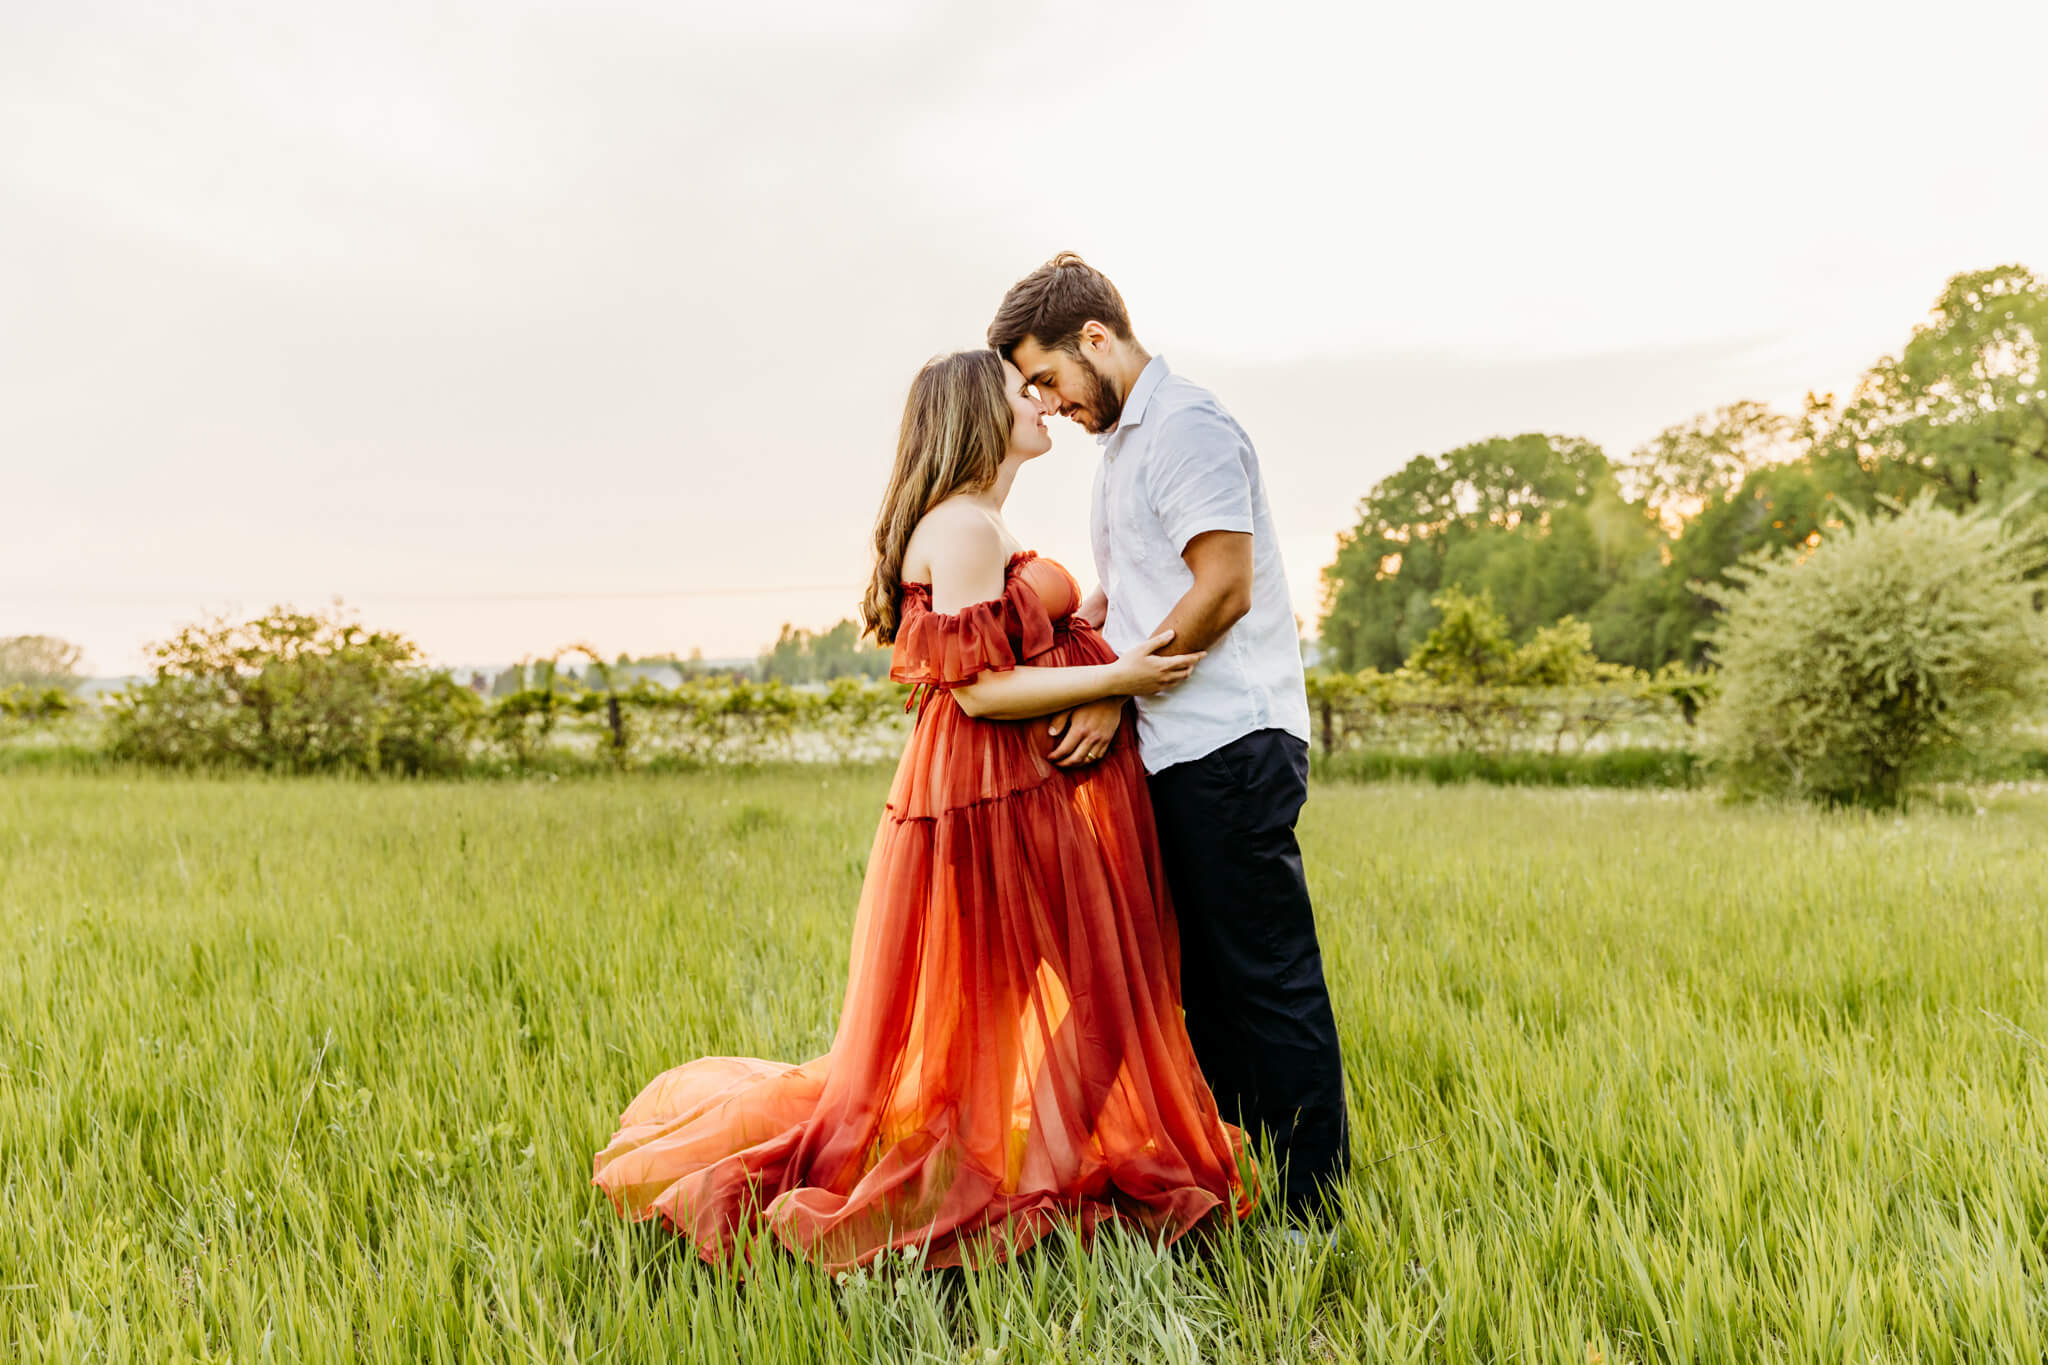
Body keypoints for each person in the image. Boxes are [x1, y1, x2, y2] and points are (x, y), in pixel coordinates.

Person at [593, 348, 1255, 1269]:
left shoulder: (978, 522)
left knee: (1033, 1006)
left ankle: (1032, 1169)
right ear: (977, 416)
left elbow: (1019, 644)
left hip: (1001, 791)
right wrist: (1128, 674)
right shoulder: (967, 529)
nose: (1038, 403)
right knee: (1086, 995)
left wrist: (1113, 617)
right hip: (996, 799)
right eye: (1020, 392)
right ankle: (1030, 1180)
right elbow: (980, 692)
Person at [987, 253, 1350, 1218]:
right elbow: (1141, 593)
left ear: (1095, 340)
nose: (1051, 403)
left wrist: (1116, 694)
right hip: (1180, 744)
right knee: (1210, 986)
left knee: (1266, 977)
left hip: (1230, 738)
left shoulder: (1184, 425)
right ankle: (1244, 1181)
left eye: (1051, 379)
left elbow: (1221, 584)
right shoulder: (1126, 452)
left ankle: (1315, 1207)